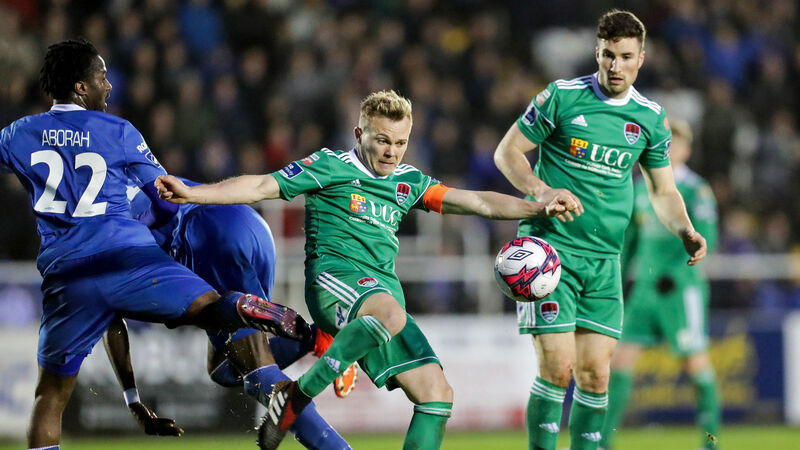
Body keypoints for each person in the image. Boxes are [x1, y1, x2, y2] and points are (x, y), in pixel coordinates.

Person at [155, 89, 577, 450]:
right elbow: (262, 185)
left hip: (379, 300)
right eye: (382, 140)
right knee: (389, 313)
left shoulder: (407, 181)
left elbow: (479, 202)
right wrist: (195, 193)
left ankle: (303, 389)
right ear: (359, 134)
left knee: (436, 395)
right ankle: (297, 397)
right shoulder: (330, 166)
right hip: (334, 280)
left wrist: (537, 204)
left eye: (400, 142)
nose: (392, 151)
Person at [0, 39, 307, 450]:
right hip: (130, 256)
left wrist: (133, 399)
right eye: (101, 77)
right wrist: (161, 230)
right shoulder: (120, 132)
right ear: (80, 87)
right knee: (212, 307)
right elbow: (165, 197)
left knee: (50, 398)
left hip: (68, 275)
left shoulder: (19, 133)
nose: (109, 86)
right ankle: (249, 306)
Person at [492, 10, 707, 450]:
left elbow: (663, 191)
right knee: (557, 366)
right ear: (596, 52)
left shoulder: (649, 118)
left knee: (597, 374)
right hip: (549, 254)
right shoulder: (561, 98)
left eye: (625, 56)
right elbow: (508, 151)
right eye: (608, 55)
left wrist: (684, 228)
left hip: (605, 261)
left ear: (641, 59)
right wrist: (540, 188)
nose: (615, 66)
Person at [103, 184, 356, 449]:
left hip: (205, 237)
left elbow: (108, 316)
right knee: (224, 371)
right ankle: (315, 336)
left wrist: (132, 400)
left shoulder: (92, 237)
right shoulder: (123, 166)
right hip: (248, 222)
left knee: (259, 374)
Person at [600, 119, 719, 450]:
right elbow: (629, 243)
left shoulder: (696, 190)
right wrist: (613, 281)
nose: (669, 149)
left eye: (676, 143)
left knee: (695, 363)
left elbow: (709, 240)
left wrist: (678, 274)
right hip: (644, 291)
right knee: (619, 362)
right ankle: (602, 443)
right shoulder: (639, 189)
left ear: (687, 150)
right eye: (665, 143)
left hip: (682, 291)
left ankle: (711, 444)